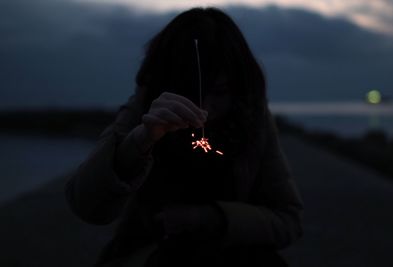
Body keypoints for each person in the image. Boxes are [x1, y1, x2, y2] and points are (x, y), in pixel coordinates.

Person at [65, 7, 304, 267]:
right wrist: (139, 142)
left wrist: (210, 218)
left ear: (239, 86)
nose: (205, 108)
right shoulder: (145, 108)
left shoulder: (253, 119)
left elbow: (288, 222)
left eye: (221, 92)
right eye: (191, 93)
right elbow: (87, 206)